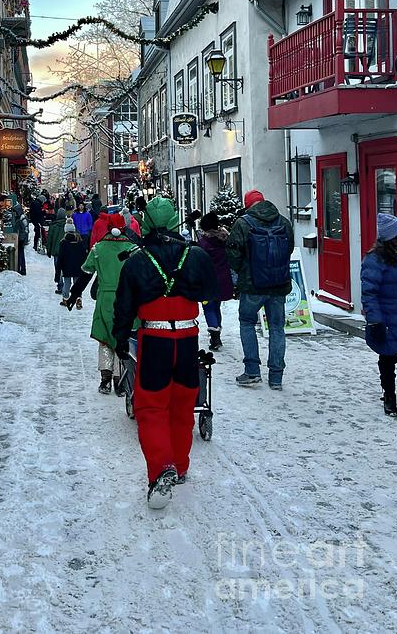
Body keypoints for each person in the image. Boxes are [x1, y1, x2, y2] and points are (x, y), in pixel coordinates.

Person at [113, 197, 219, 509]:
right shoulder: (196, 255)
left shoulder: (136, 260)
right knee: (183, 402)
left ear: (144, 221)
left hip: (154, 338)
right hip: (187, 337)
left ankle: (161, 469)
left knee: (151, 407)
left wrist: (120, 340)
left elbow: (123, 308)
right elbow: (212, 294)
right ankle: (181, 465)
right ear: (174, 220)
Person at [226, 189, 294, 390]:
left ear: (248, 205)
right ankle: (276, 377)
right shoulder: (283, 221)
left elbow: (232, 252)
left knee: (246, 322)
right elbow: (289, 248)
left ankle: (252, 371)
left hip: (253, 285)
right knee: (277, 328)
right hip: (279, 284)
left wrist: (243, 270)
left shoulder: (243, 223)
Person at [66, 214, 138, 394]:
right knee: (123, 338)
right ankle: (119, 379)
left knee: (106, 339)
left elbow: (85, 275)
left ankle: (105, 379)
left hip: (105, 298)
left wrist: (74, 295)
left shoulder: (98, 249)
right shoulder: (133, 249)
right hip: (128, 299)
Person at [360, 213, 397, 417]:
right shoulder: (374, 260)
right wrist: (375, 320)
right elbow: (369, 293)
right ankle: (390, 397)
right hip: (387, 318)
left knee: (388, 357)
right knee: (388, 358)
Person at [197, 211, 234, 351]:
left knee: (208, 307)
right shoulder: (224, 240)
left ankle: (215, 335)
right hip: (222, 280)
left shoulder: (203, 243)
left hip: (207, 281)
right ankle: (217, 330)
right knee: (216, 306)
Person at [58, 221, 88, 308]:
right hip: (77, 267)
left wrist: (59, 269)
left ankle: (65, 299)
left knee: (67, 283)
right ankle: (78, 299)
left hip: (66, 267)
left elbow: (61, 257)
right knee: (77, 283)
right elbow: (84, 255)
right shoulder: (80, 242)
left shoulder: (63, 243)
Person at [46, 207, 67, 292]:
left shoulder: (53, 226)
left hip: (56, 251)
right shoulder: (67, 225)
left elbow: (49, 239)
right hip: (66, 251)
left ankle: (60, 285)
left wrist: (49, 250)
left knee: (58, 268)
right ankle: (66, 285)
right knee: (65, 268)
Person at [10, 193, 29, 276]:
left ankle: (22, 269)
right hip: (21, 238)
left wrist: (22, 237)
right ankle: (22, 269)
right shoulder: (21, 218)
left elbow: (25, 229)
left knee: (20, 254)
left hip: (21, 239)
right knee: (21, 254)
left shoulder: (21, 218)